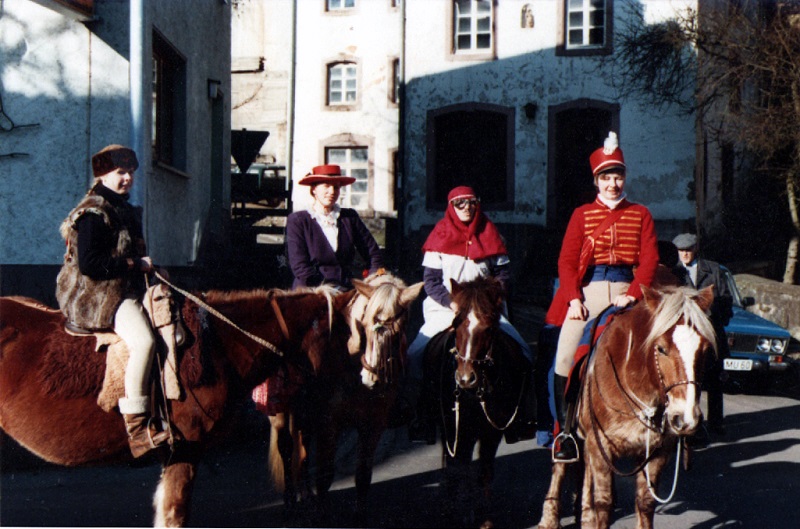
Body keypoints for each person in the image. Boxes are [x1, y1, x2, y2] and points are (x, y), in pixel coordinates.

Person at [545, 132, 659, 461]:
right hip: (590, 289)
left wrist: (634, 293)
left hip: (628, 289)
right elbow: (566, 261)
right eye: (606, 177)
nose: (613, 183)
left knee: (667, 347)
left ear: (625, 178)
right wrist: (573, 299)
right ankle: (564, 432)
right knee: (565, 355)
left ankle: (674, 423)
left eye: (618, 176)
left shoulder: (641, 214)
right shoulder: (581, 214)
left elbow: (649, 259)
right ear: (597, 181)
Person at [56, 144, 170, 458]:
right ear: (103, 174)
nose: (127, 178)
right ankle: (138, 431)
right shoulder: (94, 211)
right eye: (120, 172)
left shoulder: (121, 207)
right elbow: (90, 265)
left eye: (130, 172)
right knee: (144, 342)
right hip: (99, 295)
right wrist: (134, 265)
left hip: (123, 286)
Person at [407, 186, 534, 443]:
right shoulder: (439, 235)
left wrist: (492, 298)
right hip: (448, 308)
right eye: (459, 204)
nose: (466, 208)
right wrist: (451, 303)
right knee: (414, 355)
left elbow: (503, 275)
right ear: (451, 207)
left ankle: (519, 418)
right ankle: (421, 415)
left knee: (523, 353)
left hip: (485, 308)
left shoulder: (490, 232)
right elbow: (431, 281)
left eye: (470, 203)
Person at [672, 232, 732, 436]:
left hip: (710, 330)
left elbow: (725, 299)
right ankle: (693, 422)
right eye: (681, 251)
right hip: (686, 333)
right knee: (690, 376)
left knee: (715, 380)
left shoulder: (713, 269)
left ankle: (716, 423)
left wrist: (713, 318)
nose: (684, 255)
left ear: (696, 249)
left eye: (688, 250)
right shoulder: (673, 272)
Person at [285, 164, 383, 290]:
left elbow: (373, 253)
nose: (332, 192)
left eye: (336, 187)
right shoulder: (298, 220)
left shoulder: (349, 218)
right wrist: (329, 289)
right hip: (311, 291)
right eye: (326, 186)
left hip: (346, 290)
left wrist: (372, 278)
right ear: (314, 189)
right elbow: (300, 267)